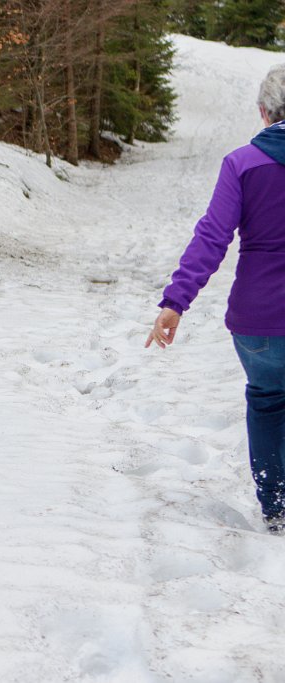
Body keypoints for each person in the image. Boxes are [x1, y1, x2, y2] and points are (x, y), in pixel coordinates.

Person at [147, 63, 285, 535]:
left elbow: (212, 238)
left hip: (259, 320)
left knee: (267, 402)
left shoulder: (242, 164)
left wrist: (174, 302)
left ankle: (277, 506)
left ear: (264, 112)